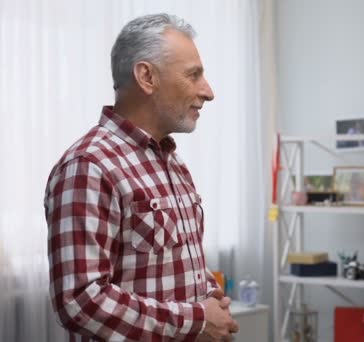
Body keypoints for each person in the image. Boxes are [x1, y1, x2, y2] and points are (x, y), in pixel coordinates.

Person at [44, 14, 239, 341]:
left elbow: (168, 266)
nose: (208, 91)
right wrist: (196, 320)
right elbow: (80, 300)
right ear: (147, 76)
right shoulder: (89, 165)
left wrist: (210, 296)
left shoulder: (172, 162)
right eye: (194, 75)